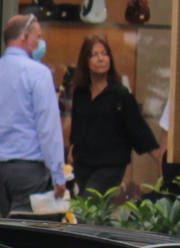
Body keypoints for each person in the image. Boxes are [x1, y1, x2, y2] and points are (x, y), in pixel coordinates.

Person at [0, 14, 64, 214]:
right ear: (25, 37)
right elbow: (48, 128)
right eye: (38, 37)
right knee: (28, 233)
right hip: (29, 168)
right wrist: (58, 175)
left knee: (9, 223)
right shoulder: (38, 73)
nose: (41, 43)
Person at [62, 36, 159, 198]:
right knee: (78, 211)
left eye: (104, 54)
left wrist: (160, 159)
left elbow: (139, 130)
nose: (101, 59)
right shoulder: (80, 93)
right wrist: (72, 148)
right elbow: (78, 126)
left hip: (109, 166)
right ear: (86, 61)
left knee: (87, 209)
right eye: (94, 55)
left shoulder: (121, 95)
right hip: (82, 164)